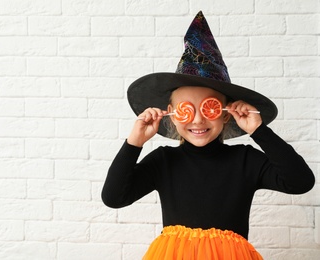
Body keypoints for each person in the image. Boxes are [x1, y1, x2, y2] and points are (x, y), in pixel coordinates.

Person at [101, 11, 315, 260]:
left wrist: (259, 130)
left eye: (209, 108)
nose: (198, 119)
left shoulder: (245, 160)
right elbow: (114, 197)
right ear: (172, 114)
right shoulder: (163, 161)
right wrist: (134, 143)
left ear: (225, 114)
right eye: (186, 110)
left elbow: (300, 181)